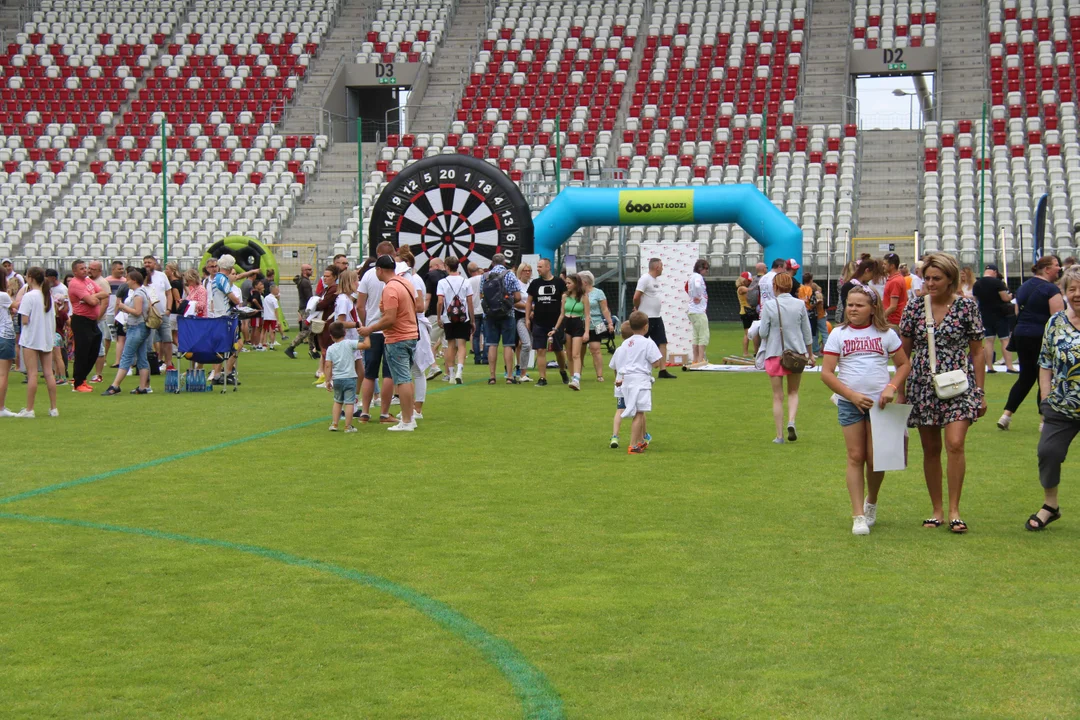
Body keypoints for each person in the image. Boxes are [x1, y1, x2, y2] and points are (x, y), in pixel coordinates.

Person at [898, 252, 986, 534]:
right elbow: (904, 353)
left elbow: (977, 351)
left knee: (955, 443)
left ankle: (955, 511)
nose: (930, 283)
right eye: (927, 278)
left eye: (937, 278)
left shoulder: (966, 307)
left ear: (951, 279)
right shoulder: (914, 308)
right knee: (931, 449)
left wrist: (980, 391)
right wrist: (900, 391)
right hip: (922, 384)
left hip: (958, 383)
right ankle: (936, 510)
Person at [821, 286, 911, 535]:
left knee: (875, 459)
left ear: (873, 309)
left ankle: (871, 501)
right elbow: (826, 373)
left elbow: (904, 364)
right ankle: (858, 514)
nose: (853, 309)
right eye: (850, 304)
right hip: (850, 404)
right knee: (855, 456)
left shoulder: (886, 334)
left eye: (859, 305)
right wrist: (850, 395)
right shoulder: (838, 334)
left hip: (880, 405)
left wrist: (891, 387)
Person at [1026, 266, 1080, 530]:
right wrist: (1045, 400)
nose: (1077, 294)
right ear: (1065, 292)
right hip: (1061, 405)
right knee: (1048, 453)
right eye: (1072, 289)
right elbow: (1045, 363)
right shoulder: (1055, 322)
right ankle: (1051, 505)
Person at [998, 255, 1064, 430]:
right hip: (1041, 336)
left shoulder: (1023, 287)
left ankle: (1006, 415)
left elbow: (1018, 312)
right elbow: (1058, 319)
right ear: (1047, 269)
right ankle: (1044, 420)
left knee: (1026, 378)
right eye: (1057, 265)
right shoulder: (1051, 289)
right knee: (1045, 376)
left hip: (1021, 335)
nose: (1060, 268)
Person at [358, 254, 420, 431]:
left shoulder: (390, 288)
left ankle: (407, 420)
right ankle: (409, 417)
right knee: (404, 378)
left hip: (398, 337)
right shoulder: (405, 282)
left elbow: (390, 318)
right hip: (410, 334)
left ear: (379, 269)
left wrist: (369, 329)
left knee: (402, 379)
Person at [758, 272, 814, 443]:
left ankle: (779, 435)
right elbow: (807, 332)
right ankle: (791, 420)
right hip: (797, 353)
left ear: (775, 286)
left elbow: (763, 332)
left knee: (777, 396)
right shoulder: (799, 305)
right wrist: (810, 354)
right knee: (793, 392)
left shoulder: (769, 305)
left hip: (775, 353)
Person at [608, 311, 663, 454]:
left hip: (627, 380)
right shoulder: (648, 342)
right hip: (641, 380)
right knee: (639, 412)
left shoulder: (625, 343)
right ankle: (633, 445)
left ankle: (639, 441)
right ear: (646, 327)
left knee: (633, 411)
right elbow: (657, 363)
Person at [357, 241, 396, 423]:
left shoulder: (367, 275)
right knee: (388, 373)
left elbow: (360, 305)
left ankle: (365, 411)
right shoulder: (397, 276)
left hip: (372, 328)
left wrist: (366, 324)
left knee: (370, 372)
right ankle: (384, 412)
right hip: (390, 329)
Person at [101, 270, 155, 396]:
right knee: (142, 357)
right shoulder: (141, 292)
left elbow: (137, 311)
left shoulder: (138, 294)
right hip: (140, 327)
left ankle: (115, 385)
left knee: (126, 356)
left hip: (136, 327)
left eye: (128, 279)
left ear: (134, 280)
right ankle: (143, 387)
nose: (126, 281)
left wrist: (123, 307)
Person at [13, 267, 58, 416]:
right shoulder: (47, 295)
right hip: (46, 338)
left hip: (31, 338)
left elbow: (24, 320)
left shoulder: (29, 296)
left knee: (32, 374)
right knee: (48, 374)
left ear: (31, 278)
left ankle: (29, 409)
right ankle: (53, 408)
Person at [66, 259, 109, 393]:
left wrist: (93, 296)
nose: (85, 270)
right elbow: (92, 301)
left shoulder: (88, 281)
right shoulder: (76, 284)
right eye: (82, 269)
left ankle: (82, 378)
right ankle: (78, 382)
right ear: (75, 271)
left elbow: (104, 294)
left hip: (91, 321)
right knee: (82, 352)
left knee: (94, 348)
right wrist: (94, 298)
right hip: (81, 320)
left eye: (85, 268)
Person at [526, 257, 569, 386]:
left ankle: (562, 370)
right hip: (539, 322)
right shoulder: (535, 283)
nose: (537, 269)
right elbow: (529, 301)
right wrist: (527, 318)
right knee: (540, 350)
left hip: (556, 322)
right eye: (537, 267)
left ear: (548, 267)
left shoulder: (559, 283)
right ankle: (542, 378)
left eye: (540, 267)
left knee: (558, 350)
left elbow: (566, 299)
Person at [480, 252, 521, 384]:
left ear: (492, 263)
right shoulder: (509, 274)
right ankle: (509, 376)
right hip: (507, 314)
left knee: (492, 344)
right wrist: (507, 302)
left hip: (490, 315)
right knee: (508, 345)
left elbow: (482, 296)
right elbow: (518, 296)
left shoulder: (485, 276)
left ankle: (492, 376)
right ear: (504, 262)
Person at [633, 257, 677, 379]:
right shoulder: (645, 279)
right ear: (657, 267)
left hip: (656, 317)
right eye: (662, 266)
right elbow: (636, 296)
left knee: (662, 342)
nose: (662, 269)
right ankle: (636, 367)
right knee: (639, 343)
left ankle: (663, 370)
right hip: (645, 318)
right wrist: (637, 309)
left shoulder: (655, 280)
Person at [325, 321, 369, 433]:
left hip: (337, 379)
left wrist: (327, 380)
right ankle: (347, 426)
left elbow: (328, 365)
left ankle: (334, 424)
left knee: (337, 401)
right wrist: (366, 334)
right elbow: (366, 345)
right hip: (350, 378)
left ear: (331, 336)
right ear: (345, 333)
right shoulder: (349, 343)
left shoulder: (330, 349)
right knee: (349, 402)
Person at [971, 264, 1016, 375]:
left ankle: (990, 366)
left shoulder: (977, 284)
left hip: (985, 315)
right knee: (1004, 340)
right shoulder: (997, 283)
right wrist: (1011, 296)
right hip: (1000, 315)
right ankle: (1009, 366)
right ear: (995, 272)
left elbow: (974, 300)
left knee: (988, 341)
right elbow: (1005, 298)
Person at [436, 256, 474, 385]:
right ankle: (460, 371)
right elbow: (470, 302)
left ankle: (451, 374)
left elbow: (440, 301)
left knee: (450, 345)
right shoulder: (465, 281)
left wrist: (439, 317)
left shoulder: (442, 282)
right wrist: (472, 320)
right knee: (462, 345)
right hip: (463, 317)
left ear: (447, 266)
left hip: (448, 317)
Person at [552, 272, 590, 390]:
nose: (567, 285)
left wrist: (587, 332)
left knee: (576, 354)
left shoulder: (584, 297)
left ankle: (577, 378)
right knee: (568, 353)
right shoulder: (565, 296)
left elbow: (587, 316)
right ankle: (573, 377)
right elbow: (561, 314)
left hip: (578, 324)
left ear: (575, 284)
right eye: (566, 283)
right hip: (567, 324)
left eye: (569, 283)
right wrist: (555, 328)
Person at [581, 271, 615, 381]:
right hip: (581, 323)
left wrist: (610, 322)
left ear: (585, 282)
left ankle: (599, 375)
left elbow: (605, 309)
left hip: (598, 323)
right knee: (580, 350)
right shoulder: (578, 293)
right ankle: (577, 374)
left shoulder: (599, 293)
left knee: (596, 349)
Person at [143, 255, 174, 371]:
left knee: (167, 339)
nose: (147, 264)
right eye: (145, 262)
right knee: (149, 340)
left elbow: (168, 293)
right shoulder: (142, 276)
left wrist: (169, 309)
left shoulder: (162, 276)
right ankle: (149, 364)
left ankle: (169, 363)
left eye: (149, 262)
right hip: (148, 315)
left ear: (155, 264)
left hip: (162, 313)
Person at [422, 257, 448, 378]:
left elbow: (428, 297)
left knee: (429, 343)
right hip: (449, 314)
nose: (430, 269)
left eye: (431, 267)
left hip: (434, 312)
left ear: (436, 266)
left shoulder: (430, 276)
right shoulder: (449, 276)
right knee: (447, 344)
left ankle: (433, 366)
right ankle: (449, 372)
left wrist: (422, 311)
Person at [285, 264, 316, 359]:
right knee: (306, 330)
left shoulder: (302, 281)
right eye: (309, 269)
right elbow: (309, 297)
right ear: (304, 271)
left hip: (304, 307)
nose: (311, 271)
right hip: (306, 308)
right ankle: (291, 347)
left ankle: (313, 351)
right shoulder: (305, 282)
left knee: (311, 330)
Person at [512, 262, 534, 382]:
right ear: (520, 272)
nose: (527, 272)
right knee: (522, 343)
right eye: (525, 270)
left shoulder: (531, 284)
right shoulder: (517, 285)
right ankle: (520, 370)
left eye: (529, 270)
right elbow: (514, 302)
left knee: (526, 344)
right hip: (518, 315)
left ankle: (521, 369)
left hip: (531, 316)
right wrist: (529, 307)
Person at [687, 259, 709, 366]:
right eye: (706, 269)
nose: (706, 271)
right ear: (701, 268)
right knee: (703, 335)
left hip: (692, 310)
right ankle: (700, 360)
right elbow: (697, 285)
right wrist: (698, 296)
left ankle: (695, 359)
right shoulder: (698, 277)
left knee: (696, 336)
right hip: (699, 311)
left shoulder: (691, 276)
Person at [0, 285, 16, 416]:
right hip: (4, 335)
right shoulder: (3, 296)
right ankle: (1, 408)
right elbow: (15, 305)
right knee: (3, 374)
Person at [881, 252, 908, 329]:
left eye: (885, 264)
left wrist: (880, 318)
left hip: (893, 321)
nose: (883, 266)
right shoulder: (895, 278)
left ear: (892, 266)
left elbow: (893, 306)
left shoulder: (895, 281)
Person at [736, 272, 755, 357]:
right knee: (747, 333)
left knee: (752, 333)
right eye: (748, 281)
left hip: (749, 311)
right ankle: (745, 352)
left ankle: (753, 351)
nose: (750, 282)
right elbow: (751, 290)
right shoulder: (741, 288)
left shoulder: (745, 287)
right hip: (746, 312)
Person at [262, 283, 280, 348]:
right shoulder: (274, 299)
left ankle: (263, 344)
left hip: (266, 316)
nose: (278, 291)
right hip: (272, 317)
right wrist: (278, 320)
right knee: (272, 331)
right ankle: (272, 345)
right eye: (277, 289)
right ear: (274, 290)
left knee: (265, 330)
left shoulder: (266, 298)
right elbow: (276, 310)